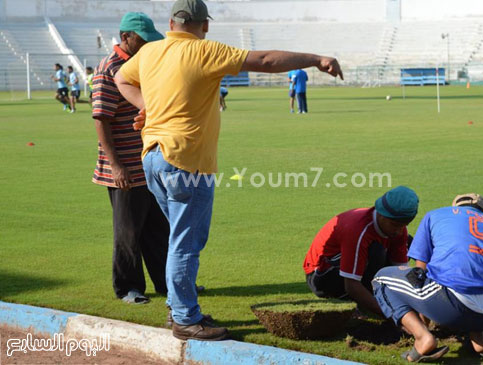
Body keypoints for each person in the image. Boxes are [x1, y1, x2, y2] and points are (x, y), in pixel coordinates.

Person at [114, 0, 343, 341]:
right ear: (204, 25)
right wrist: (315, 59)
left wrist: (148, 106)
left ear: (171, 22)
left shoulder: (150, 52)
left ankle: (179, 308)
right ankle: (186, 319)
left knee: (178, 238)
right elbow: (264, 61)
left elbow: (121, 77)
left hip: (152, 158)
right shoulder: (204, 51)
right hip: (186, 160)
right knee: (185, 243)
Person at [372, 193, 483, 363]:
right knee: (480, 285)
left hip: (455, 306)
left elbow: (419, 272)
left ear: (455, 207)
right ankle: (481, 342)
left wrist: (423, 319)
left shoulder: (436, 214)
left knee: (381, 278)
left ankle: (423, 338)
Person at [92, 12, 169, 305]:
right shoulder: (108, 69)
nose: (147, 44)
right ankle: (128, 288)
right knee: (128, 231)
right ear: (125, 37)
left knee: (158, 229)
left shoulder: (140, 65)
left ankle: (166, 283)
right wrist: (115, 166)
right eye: (142, 39)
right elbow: (101, 119)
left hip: (148, 163)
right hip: (124, 166)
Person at [303, 186, 419, 316]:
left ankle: (375, 298)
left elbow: (400, 273)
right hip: (321, 277)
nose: (398, 230)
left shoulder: (399, 231)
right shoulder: (358, 231)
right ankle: (366, 301)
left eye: (404, 225)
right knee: (376, 251)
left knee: (407, 242)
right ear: (381, 214)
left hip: (349, 266)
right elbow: (351, 285)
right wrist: (393, 315)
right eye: (394, 225)